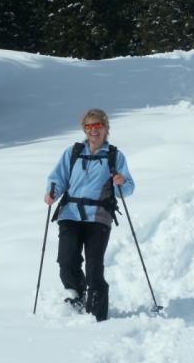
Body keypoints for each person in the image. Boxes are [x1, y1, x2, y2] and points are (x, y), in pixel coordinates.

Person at [44, 109, 134, 321]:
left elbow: (128, 188)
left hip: (99, 216)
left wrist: (121, 182)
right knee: (66, 260)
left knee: (94, 265)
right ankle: (76, 293)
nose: (94, 130)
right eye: (89, 126)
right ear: (84, 129)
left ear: (106, 128)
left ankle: (97, 314)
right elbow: (58, 178)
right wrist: (52, 192)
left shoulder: (114, 156)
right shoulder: (73, 152)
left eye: (98, 126)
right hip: (70, 214)